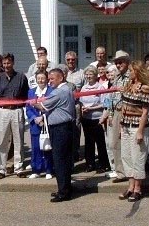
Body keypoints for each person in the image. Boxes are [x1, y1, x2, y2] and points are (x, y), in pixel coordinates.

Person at [32, 68, 76, 202]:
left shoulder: (59, 92)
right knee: (64, 160)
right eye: (49, 78)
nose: (49, 81)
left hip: (60, 129)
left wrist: (33, 102)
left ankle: (63, 193)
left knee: (60, 160)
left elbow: (42, 106)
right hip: (64, 127)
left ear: (61, 78)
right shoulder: (66, 90)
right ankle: (65, 188)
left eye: (52, 79)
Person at [117, 60, 149, 203]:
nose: (129, 73)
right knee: (126, 156)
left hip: (137, 126)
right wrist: (121, 126)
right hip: (125, 125)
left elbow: (145, 112)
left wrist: (140, 131)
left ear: (137, 71)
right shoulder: (128, 85)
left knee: (138, 157)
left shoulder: (146, 88)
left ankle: (138, 188)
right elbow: (124, 106)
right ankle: (130, 186)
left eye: (131, 70)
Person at [0, 53, 29, 179]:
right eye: (4, 63)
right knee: (2, 141)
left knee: (18, 140)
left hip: (17, 110)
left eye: (8, 63)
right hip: (3, 111)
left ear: (13, 63)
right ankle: (1, 169)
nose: (6, 66)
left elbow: (25, 94)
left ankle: (18, 167)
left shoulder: (21, 77)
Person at [99, 50, 130, 182]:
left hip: (127, 112)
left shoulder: (131, 77)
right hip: (115, 112)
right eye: (116, 62)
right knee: (114, 144)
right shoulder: (117, 78)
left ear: (127, 62)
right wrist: (109, 114)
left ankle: (127, 171)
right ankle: (120, 171)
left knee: (126, 144)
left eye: (120, 62)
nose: (118, 65)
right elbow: (111, 97)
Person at [79, 66, 110, 173]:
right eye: (87, 74)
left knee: (100, 142)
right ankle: (90, 164)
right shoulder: (84, 88)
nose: (88, 76)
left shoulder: (100, 87)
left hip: (97, 118)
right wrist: (83, 107)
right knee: (89, 142)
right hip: (86, 118)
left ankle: (104, 164)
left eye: (90, 74)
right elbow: (81, 100)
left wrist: (91, 108)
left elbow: (104, 103)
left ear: (96, 75)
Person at [25, 71, 54, 180]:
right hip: (35, 124)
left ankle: (48, 169)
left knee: (47, 147)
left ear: (46, 79)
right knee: (36, 147)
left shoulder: (51, 91)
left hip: (48, 123)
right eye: (39, 78)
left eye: (43, 78)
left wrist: (43, 117)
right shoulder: (31, 92)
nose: (41, 80)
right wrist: (34, 118)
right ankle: (36, 170)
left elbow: (52, 106)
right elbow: (28, 108)